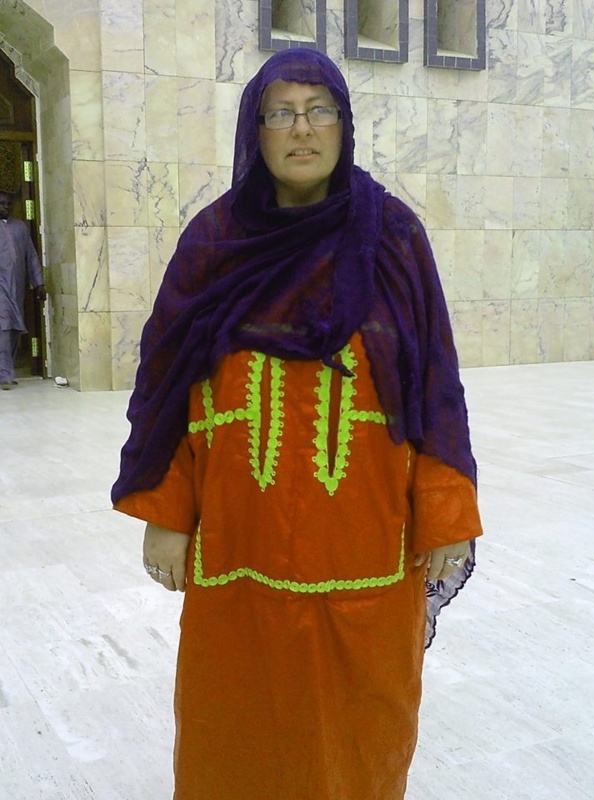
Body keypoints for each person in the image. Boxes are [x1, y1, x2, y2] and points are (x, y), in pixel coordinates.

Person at [112, 48, 483, 800]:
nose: (302, 129)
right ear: (256, 131)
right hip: (239, 541)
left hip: (365, 541)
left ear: (345, 125)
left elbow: (435, 383)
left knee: (361, 728)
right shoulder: (215, 242)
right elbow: (169, 387)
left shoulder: (393, 236)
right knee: (236, 723)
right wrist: (167, 515)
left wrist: (447, 513)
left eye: (320, 111)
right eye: (281, 113)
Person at [0, 190, 46, 389]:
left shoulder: (20, 228)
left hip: (17, 287)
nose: (5, 207)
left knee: (13, 329)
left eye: (8, 204)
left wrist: (39, 283)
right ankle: (5, 375)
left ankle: (6, 370)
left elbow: (31, 256)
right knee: (3, 326)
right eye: (1, 204)